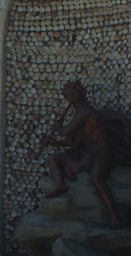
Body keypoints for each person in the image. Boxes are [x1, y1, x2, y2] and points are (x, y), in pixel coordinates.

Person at [44, 80, 122, 227]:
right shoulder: (79, 112)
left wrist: (57, 127)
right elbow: (75, 141)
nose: (71, 97)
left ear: (80, 92)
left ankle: (114, 216)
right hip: (87, 151)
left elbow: (65, 131)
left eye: (74, 93)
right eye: (68, 95)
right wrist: (55, 143)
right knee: (52, 159)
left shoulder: (85, 110)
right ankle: (61, 185)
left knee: (96, 178)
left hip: (102, 151)